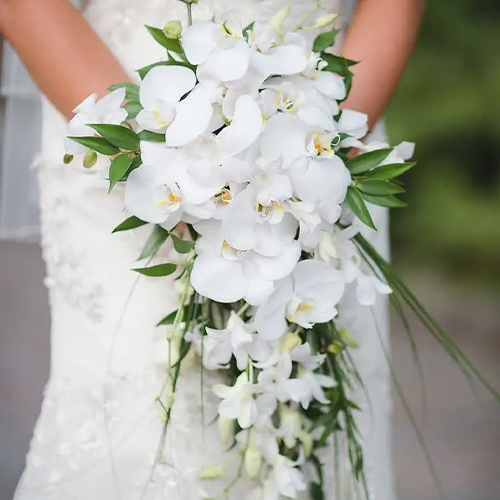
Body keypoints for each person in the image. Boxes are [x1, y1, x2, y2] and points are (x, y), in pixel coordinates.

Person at [0, 0, 426, 498]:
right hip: (114, 122)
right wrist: (160, 166)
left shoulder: (324, 152)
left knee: (320, 430)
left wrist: (316, 160)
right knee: (138, 417)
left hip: (323, 135)